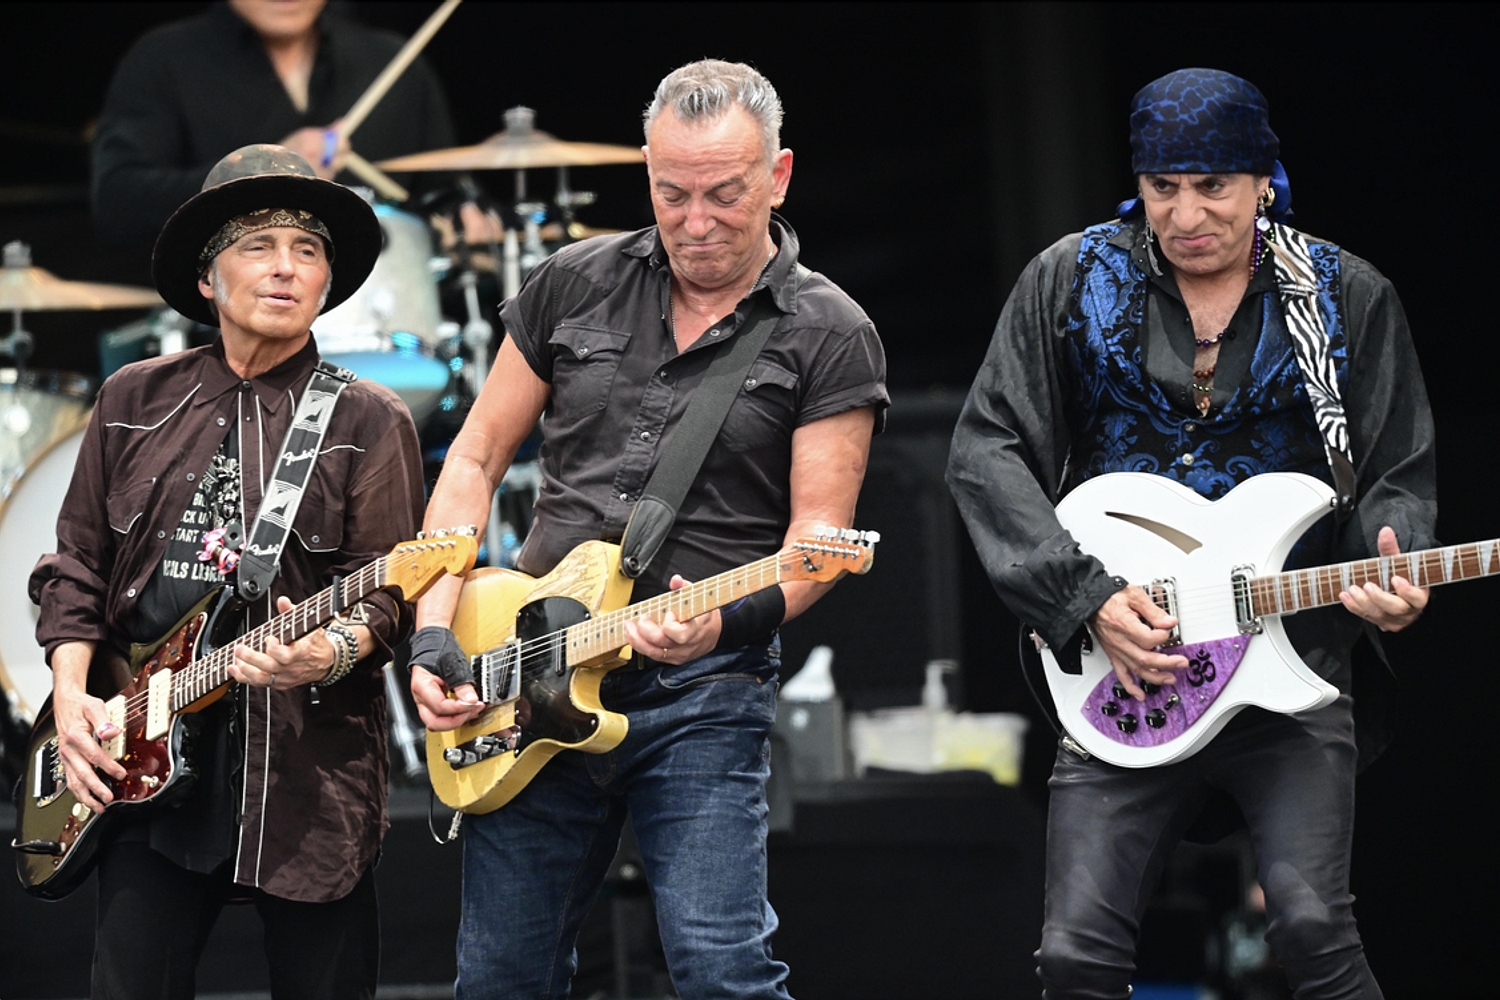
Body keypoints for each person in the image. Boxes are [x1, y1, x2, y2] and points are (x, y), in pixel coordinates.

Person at [947, 68, 1434, 998]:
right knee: (1077, 955)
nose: (1186, 213)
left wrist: (1392, 561)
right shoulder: (1071, 280)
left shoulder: (1342, 296)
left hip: (1293, 663)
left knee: (1312, 930)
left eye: (1213, 186)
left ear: (1263, 181)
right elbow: (988, 449)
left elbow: (1394, 475)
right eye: (1163, 187)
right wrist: (1083, 599)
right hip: (1126, 658)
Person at [407, 59, 888, 1000]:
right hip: (524, 666)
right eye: (672, 194)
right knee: (500, 978)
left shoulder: (830, 331)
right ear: (645, 173)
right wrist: (434, 631)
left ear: (779, 176)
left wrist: (725, 624)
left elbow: (818, 547)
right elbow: (470, 463)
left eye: (725, 194)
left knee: (721, 970)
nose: (697, 222)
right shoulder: (571, 283)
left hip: (702, 690)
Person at [30, 144, 425, 999]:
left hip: (307, 772)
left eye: (307, 250)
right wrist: (69, 695)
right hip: (145, 759)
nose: (285, 268)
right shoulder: (132, 399)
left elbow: (391, 595)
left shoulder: (368, 417)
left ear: (327, 281)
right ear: (207, 279)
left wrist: (328, 652)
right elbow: (75, 567)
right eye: (258, 245)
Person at [92, 0, 455, 255]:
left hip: (391, 342)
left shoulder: (393, 61)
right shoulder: (161, 60)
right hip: (218, 339)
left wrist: (465, 216)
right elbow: (118, 204)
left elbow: (443, 197)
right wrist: (260, 172)